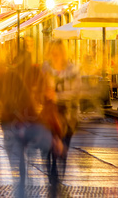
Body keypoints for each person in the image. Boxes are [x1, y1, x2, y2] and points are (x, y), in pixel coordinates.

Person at [0, 53, 60, 198]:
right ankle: (30, 191)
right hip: (27, 127)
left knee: (18, 170)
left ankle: (22, 192)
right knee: (29, 166)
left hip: (9, 127)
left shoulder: (8, 78)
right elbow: (33, 110)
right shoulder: (26, 78)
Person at [43, 40, 80, 198]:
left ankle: (58, 177)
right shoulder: (46, 68)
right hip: (49, 115)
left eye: (57, 51)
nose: (55, 54)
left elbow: (76, 92)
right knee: (48, 149)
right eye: (53, 51)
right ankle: (52, 175)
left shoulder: (73, 70)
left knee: (64, 147)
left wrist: (57, 96)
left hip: (68, 116)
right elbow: (39, 87)